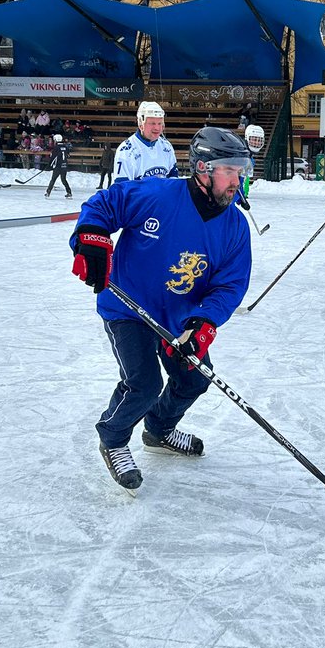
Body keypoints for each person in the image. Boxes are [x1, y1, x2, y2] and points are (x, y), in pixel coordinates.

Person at [69, 127, 253, 492]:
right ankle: (114, 438)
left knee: (195, 378)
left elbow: (229, 285)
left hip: (179, 319)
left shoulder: (235, 226)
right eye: (230, 170)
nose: (238, 179)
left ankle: (159, 430)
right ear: (203, 168)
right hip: (129, 307)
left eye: (242, 169)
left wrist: (203, 323)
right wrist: (91, 238)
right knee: (145, 383)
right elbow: (104, 205)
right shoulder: (158, 195)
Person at [113, 101, 178, 182]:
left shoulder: (166, 146)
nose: (157, 128)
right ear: (141, 124)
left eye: (159, 123)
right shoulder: (126, 151)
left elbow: (173, 180)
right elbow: (122, 189)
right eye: (152, 123)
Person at [44, 133, 72, 198]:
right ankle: (69, 192)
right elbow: (68, 155)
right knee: (63, 180)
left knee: (53, 179)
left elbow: (53, 158)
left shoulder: (56, 148)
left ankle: (48, 192)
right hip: (64, 166)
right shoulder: (65, 147)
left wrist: (49, 166)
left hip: (58, 167)